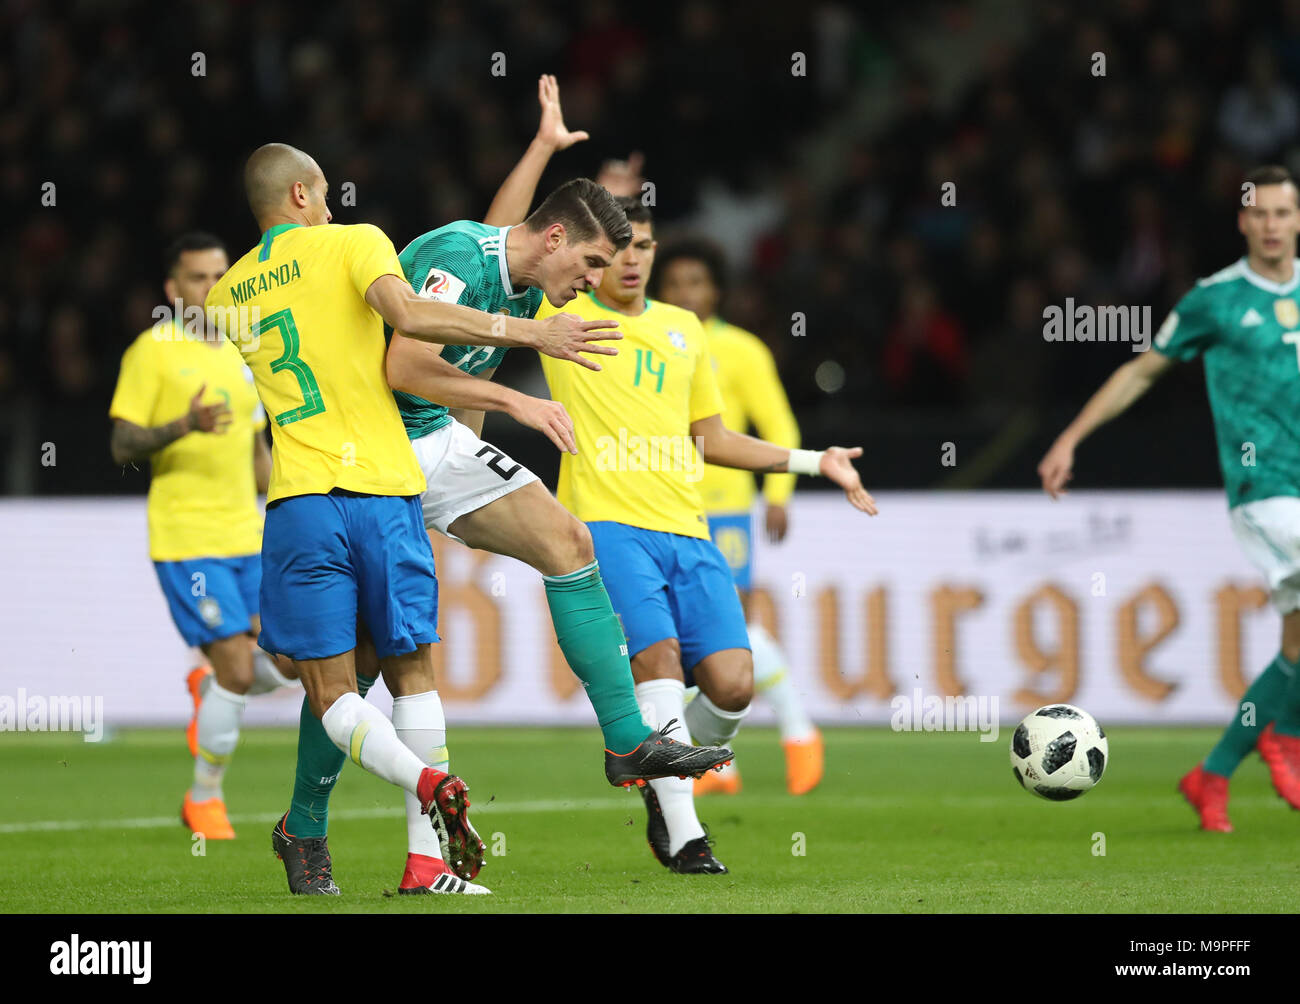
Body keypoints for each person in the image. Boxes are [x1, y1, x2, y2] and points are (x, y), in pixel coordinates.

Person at [284, 78, 732, 895]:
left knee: (570, 542)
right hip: (373, 459)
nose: (596, 279)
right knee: (368, 667)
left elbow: (514, 229)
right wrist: (515, 394)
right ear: (558, 238)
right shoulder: (459, 257)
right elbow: (403, 361)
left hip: (437, 447)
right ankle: (304, 825)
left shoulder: (523, 262)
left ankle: (627, 739)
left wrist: (541, 147)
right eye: (593, 262)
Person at [204, 142, 620, 894]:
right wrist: (531, 337)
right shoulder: (356, 243)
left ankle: (365, 839)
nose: (331, 204)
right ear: (302, 195)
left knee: (338, 686)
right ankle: (416, 818)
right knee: (408, 671)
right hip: (386, 484)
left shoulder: (226, 295)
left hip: (301, 494)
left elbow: (487, 253)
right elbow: (413, 321)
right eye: (325, 192)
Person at [538, 198, 876, 873]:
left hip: (690, 532)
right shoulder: (563, 317)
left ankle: (659, 763)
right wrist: (551, 153)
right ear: (591, 254)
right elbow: (508, 235)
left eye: (645, 246)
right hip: (610, 525)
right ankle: (684, 831)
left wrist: (814, 462)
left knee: (733, 684)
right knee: (656, 662)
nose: (632, 259)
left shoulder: (684, 329)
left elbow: (712, 438)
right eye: (618, 247)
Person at [1039, 164, 1300, 832]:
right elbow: (1139, 372)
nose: (1272, 226)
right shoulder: (1213, 300)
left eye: (1283, 213)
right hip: (1263, 487)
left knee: (1297, 648)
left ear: (1297, 219)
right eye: (1260, 214)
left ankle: (1210, 774)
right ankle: (1288, 735)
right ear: (1243, 222)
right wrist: (1071, 437)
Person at [109, 232, 299, 840]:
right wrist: (185, 423)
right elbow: (121, 445)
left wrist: (289, 511)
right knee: (241, 671)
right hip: (188, 537)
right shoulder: (153, 350)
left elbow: (256, 452)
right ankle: (204, 800)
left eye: (219, 276)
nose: (210, 288)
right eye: (196, 279)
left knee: (294, 663)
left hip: (248, 533)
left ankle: (209, 685)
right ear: (173, 289)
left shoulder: (244, 354)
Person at [655, 237, 823, 796]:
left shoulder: (744, 350)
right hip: (659, 505)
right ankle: (718, 763)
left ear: (717, 289)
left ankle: (799, 732)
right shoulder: (651, 339)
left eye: (696, 281)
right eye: (675, 282)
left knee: (732, 633)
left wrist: (779, 494)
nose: (685, 292)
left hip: (724, 509)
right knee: (674, 641)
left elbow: (780, 424)